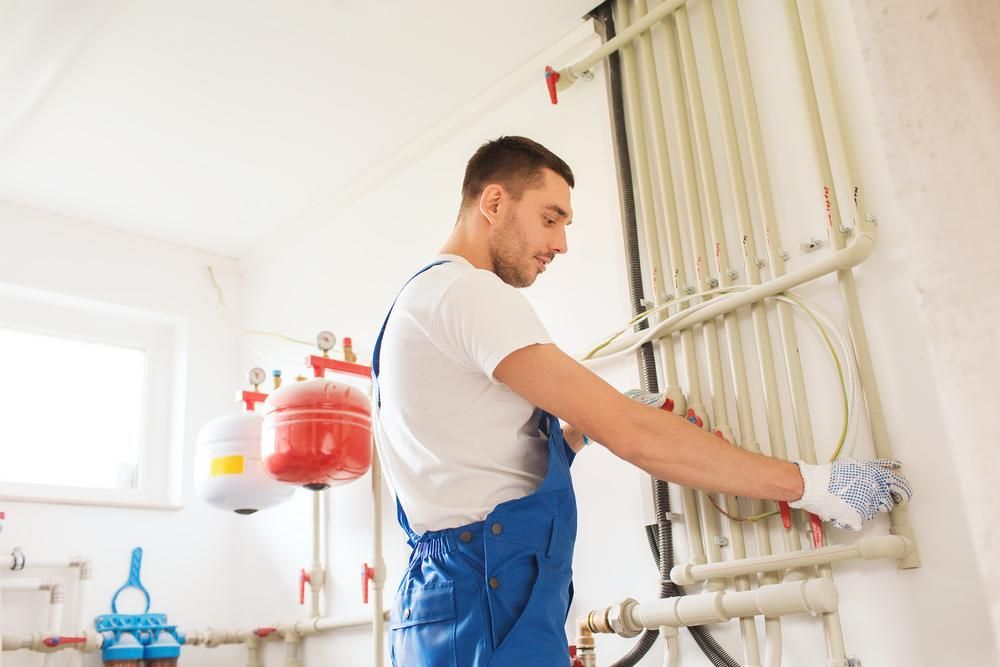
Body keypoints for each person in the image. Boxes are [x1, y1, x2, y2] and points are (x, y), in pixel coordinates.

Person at [372, 136, 911, 666]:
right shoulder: (468, 292)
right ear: (493, 202)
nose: (561, 244)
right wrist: (812, 485)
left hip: (446, 599)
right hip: (486, 593)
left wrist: (574, 437)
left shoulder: (416, 302)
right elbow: (633, 434)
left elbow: (470, 457)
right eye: (550, 218)